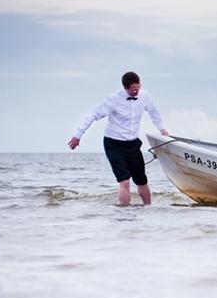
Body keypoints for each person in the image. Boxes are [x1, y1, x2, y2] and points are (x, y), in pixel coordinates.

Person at [68, 71, 170, 205]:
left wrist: (162, 129)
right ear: (125, 87)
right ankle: (124, 214)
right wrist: (78, 135)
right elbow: (93, 114)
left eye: (138, 88)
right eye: (133, 90)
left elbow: (153, 111)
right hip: (114, 144)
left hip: (133, 144)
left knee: (142, 180)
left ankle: (148, 210)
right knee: (125, 181)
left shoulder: (144, 96)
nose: (136, 92)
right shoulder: (112, 99)